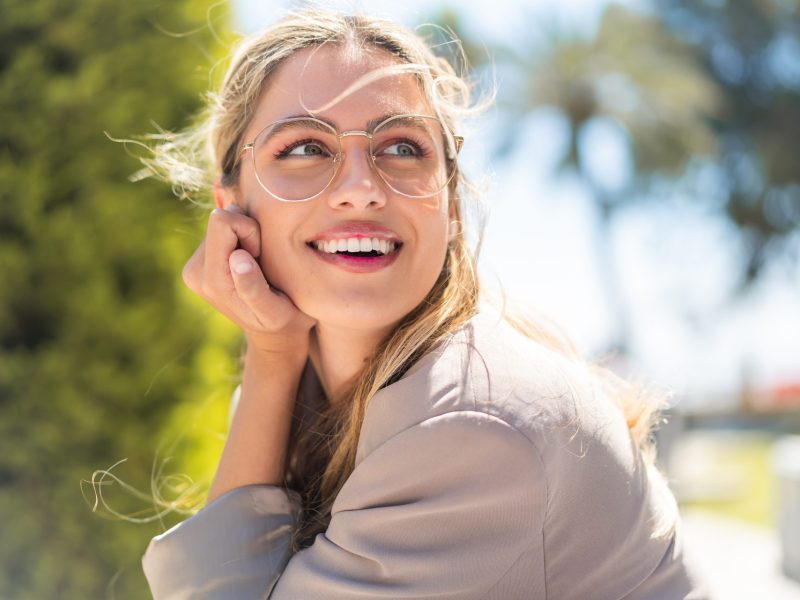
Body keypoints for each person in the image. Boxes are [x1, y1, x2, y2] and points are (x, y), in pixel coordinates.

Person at [138, 9, 710, 599]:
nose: (361, 187)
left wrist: (268, 359)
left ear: (451, 205)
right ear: (232, 208)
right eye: (307, 146)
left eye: (402, 148)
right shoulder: (305, 390)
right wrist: (272, 359)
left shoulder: (470, 427)